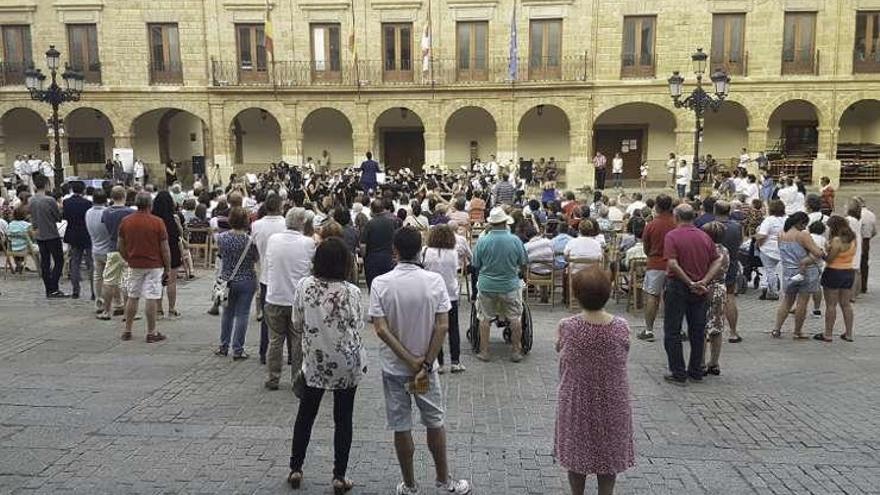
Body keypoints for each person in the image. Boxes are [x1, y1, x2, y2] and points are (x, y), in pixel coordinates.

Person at [368, 227, 471, 495]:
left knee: (401, 426)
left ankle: (410, 484)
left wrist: (408, 359)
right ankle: (443, 480)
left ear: (395, 250)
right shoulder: (434, 281)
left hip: (395, 368)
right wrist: (424, 362)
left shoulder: (381, 283)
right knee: (434, 421)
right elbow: (442, 326)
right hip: (423, 373)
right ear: (419, 249)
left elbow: (380, 329)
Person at [287, 238, 365, 494]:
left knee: (306, 415)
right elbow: (358, 326)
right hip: (346, 362)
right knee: (343, 419)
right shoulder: (351, 291)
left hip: (315, 362)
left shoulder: (304, 286)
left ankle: (296, 467)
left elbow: (296, 322)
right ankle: (339, 476)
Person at [554, 267, 634, 495]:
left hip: (577, 400)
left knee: (576, 456)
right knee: (608, 458)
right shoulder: (621, 326)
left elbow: (558, 347)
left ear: (576, 295)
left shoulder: (567, 326)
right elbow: (625, 350)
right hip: (613, 401)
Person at [662, 204, 723, 385]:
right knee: (697, 330)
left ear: (676, 217)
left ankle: (678, 372)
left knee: (673, 330)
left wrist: (689, 282)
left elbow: (672, 263)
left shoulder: (672, 236)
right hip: (700, 288)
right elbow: (718, 259)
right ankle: (696, 369)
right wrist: (704, 280)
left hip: (678, 285)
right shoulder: (704, 236)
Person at [263, 207, 315, 390]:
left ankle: (273, 377)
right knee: (298, 342)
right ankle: (297, 379)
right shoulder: (308, 243)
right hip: (296, 300)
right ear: (302, 223)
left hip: (275, 296)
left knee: (275, 340)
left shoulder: (273, 240)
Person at [473, 207, 528, 363]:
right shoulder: (515, 240)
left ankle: (484, 352)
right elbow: (523, 263)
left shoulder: (482, 241)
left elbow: (476, 264)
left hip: (487, 285)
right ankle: (516, 351)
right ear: (505, 222)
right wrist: (522, 275)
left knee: (484, 318)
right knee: (515, 318)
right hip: (509, 285)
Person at [117, 192, 171, 343]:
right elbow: (165, 248)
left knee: (133, 296)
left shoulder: (126, 221)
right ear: (150, 205)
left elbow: (120, 245)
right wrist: (167, 267)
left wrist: (128, 257)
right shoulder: (158, 222)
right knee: (151, 296)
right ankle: (151, 332)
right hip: (154, 264)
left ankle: (127, 330)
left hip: (134, 263)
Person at [770, 212, 824, 339]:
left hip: (788, 271)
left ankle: (776, 329)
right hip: (805, 272)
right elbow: (817, 252)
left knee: (787, 301)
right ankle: (797, 331)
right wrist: (820, 251)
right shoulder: (802, 235)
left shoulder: (781, 234)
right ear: (800, 223)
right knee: (802, 302)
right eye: (805, 224)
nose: (805, 227)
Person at [215, 207, 259, 359]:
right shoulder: (250, 241)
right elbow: (255, 259)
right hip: (246, 280)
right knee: (243, 314)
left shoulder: (222, 238)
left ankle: (223, 345)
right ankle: (238, 349)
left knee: (227, 313)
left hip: (227, 280)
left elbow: (221, 255)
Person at [422, 224, 465, 374]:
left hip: (431, 294)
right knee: (453, 328)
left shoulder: (426, 251)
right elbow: (456, 270)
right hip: (450, 293)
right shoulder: (453, 253)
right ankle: (455, 361)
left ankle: (438, 362)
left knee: (435, 328)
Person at [251, 194, 287, 365]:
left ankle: (264, 352)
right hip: (285, 274)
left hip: (265, 273)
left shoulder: (256, 225)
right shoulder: (286, 223)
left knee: (267, 318)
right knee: (290, 316)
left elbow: (254, 250)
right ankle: (291, 355)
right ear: (280, 206)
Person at [639, 194, 676, 342]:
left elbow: (646, 248)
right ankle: (676, 329)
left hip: (655, 263)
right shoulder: (676, 224)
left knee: (652, 297)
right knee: (675, 298)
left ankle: (649, 330)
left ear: (657, 207)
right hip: (674, 264)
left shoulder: (651, 225)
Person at [816, 216, 857, 343]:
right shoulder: (852, 239)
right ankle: (849, 333)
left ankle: (828, 334)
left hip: (834, 272)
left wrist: (822, 253)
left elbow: (830, 259)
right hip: (848, 271)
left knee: (831, 305)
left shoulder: (836, 241)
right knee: (846, 304)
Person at [97, 186, 135, 320]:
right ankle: (127, 312)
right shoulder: (130, 212)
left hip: (112, 248)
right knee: (127, 281)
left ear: (111, 197)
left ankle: (106, 311)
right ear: (124, 195)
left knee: (108, 281)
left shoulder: (106, 212)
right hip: (128, 249)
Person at [700, 222, 729, 376]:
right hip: (720, 289)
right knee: (717, 327)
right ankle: (714, 362)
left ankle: (701, 362)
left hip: (706, 288)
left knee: (703, 327)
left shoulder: (707, 250)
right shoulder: (725, 250)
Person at [714, 201, 743, 344]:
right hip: (730, 265)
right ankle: (733, 332)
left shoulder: (710, 227)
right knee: (730, 298)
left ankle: (710, 330)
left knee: (711, 299)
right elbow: (740, 243)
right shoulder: (737, 227)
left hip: (712, 266)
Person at [150, 191, 183, 318]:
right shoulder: (173, 218)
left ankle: (158, 309)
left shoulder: (153, 219)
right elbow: (180, 234)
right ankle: (171, 308)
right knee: (172, 281)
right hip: (173, 249)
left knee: (158, 281)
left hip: (157, 250)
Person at [62, 181, 94, 300]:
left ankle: (75, 290)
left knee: (75, 262)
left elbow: (65, 216)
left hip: (73, 233)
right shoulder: (87, 203)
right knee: (90, 263)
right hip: (86, 233)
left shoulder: (67, 202)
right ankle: (94, 290)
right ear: (83, 190)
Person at [361, 199, 396, 290]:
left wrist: (364, 257)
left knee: (373, 288)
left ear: (372, 210)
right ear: (383, 209)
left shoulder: (369, 224)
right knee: (387, 287)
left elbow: (363, 246)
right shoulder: (391, 223)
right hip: (388, 258)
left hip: (372, 260)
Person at [755, 200, 786, 301]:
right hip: (781, 248)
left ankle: (773, 291)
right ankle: (765, 285)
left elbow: (762, 234)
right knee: (771, 270)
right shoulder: (786, 219)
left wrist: (758, 243)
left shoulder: (769, 220)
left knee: (769, 270)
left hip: (767, 248)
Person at [854, 197, 876, 293]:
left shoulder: (856, 214)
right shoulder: (871, 214)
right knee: (864, 263)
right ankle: (864, 286)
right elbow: (874, 231)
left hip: (857, 239)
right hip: (866, 240)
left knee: (855, 264)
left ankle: (854, 287)